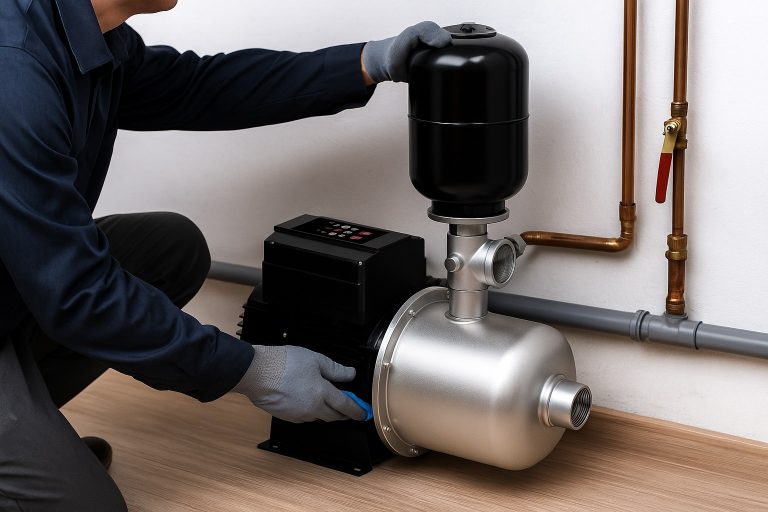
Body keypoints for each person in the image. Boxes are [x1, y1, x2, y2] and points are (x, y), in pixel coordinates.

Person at [0, 0, 451, 509]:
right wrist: (249, 368)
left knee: (171, 248)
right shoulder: (14, 66)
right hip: (36, 289)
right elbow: (79, 292)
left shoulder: (86, 35)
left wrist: (367, 62)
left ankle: (27, 436)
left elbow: (195, 86)